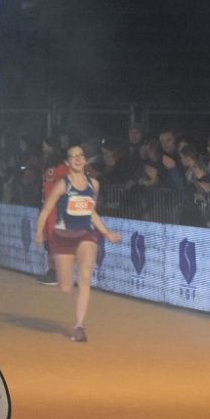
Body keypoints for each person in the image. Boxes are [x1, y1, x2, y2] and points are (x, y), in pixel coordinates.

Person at [33, 145, 122, 342]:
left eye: (80, 155)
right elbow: (46, 209)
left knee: (84, 277)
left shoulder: (94, 185)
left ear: (85, 159)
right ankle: (65, 281)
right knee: (65, 288)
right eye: (73, 157)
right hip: (64, 237)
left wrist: (106, 233)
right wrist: (39, 232)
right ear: (67, 163)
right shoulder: (62, 185)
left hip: (86, 235)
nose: (77, 159)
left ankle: (79, 326)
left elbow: (91, 211)